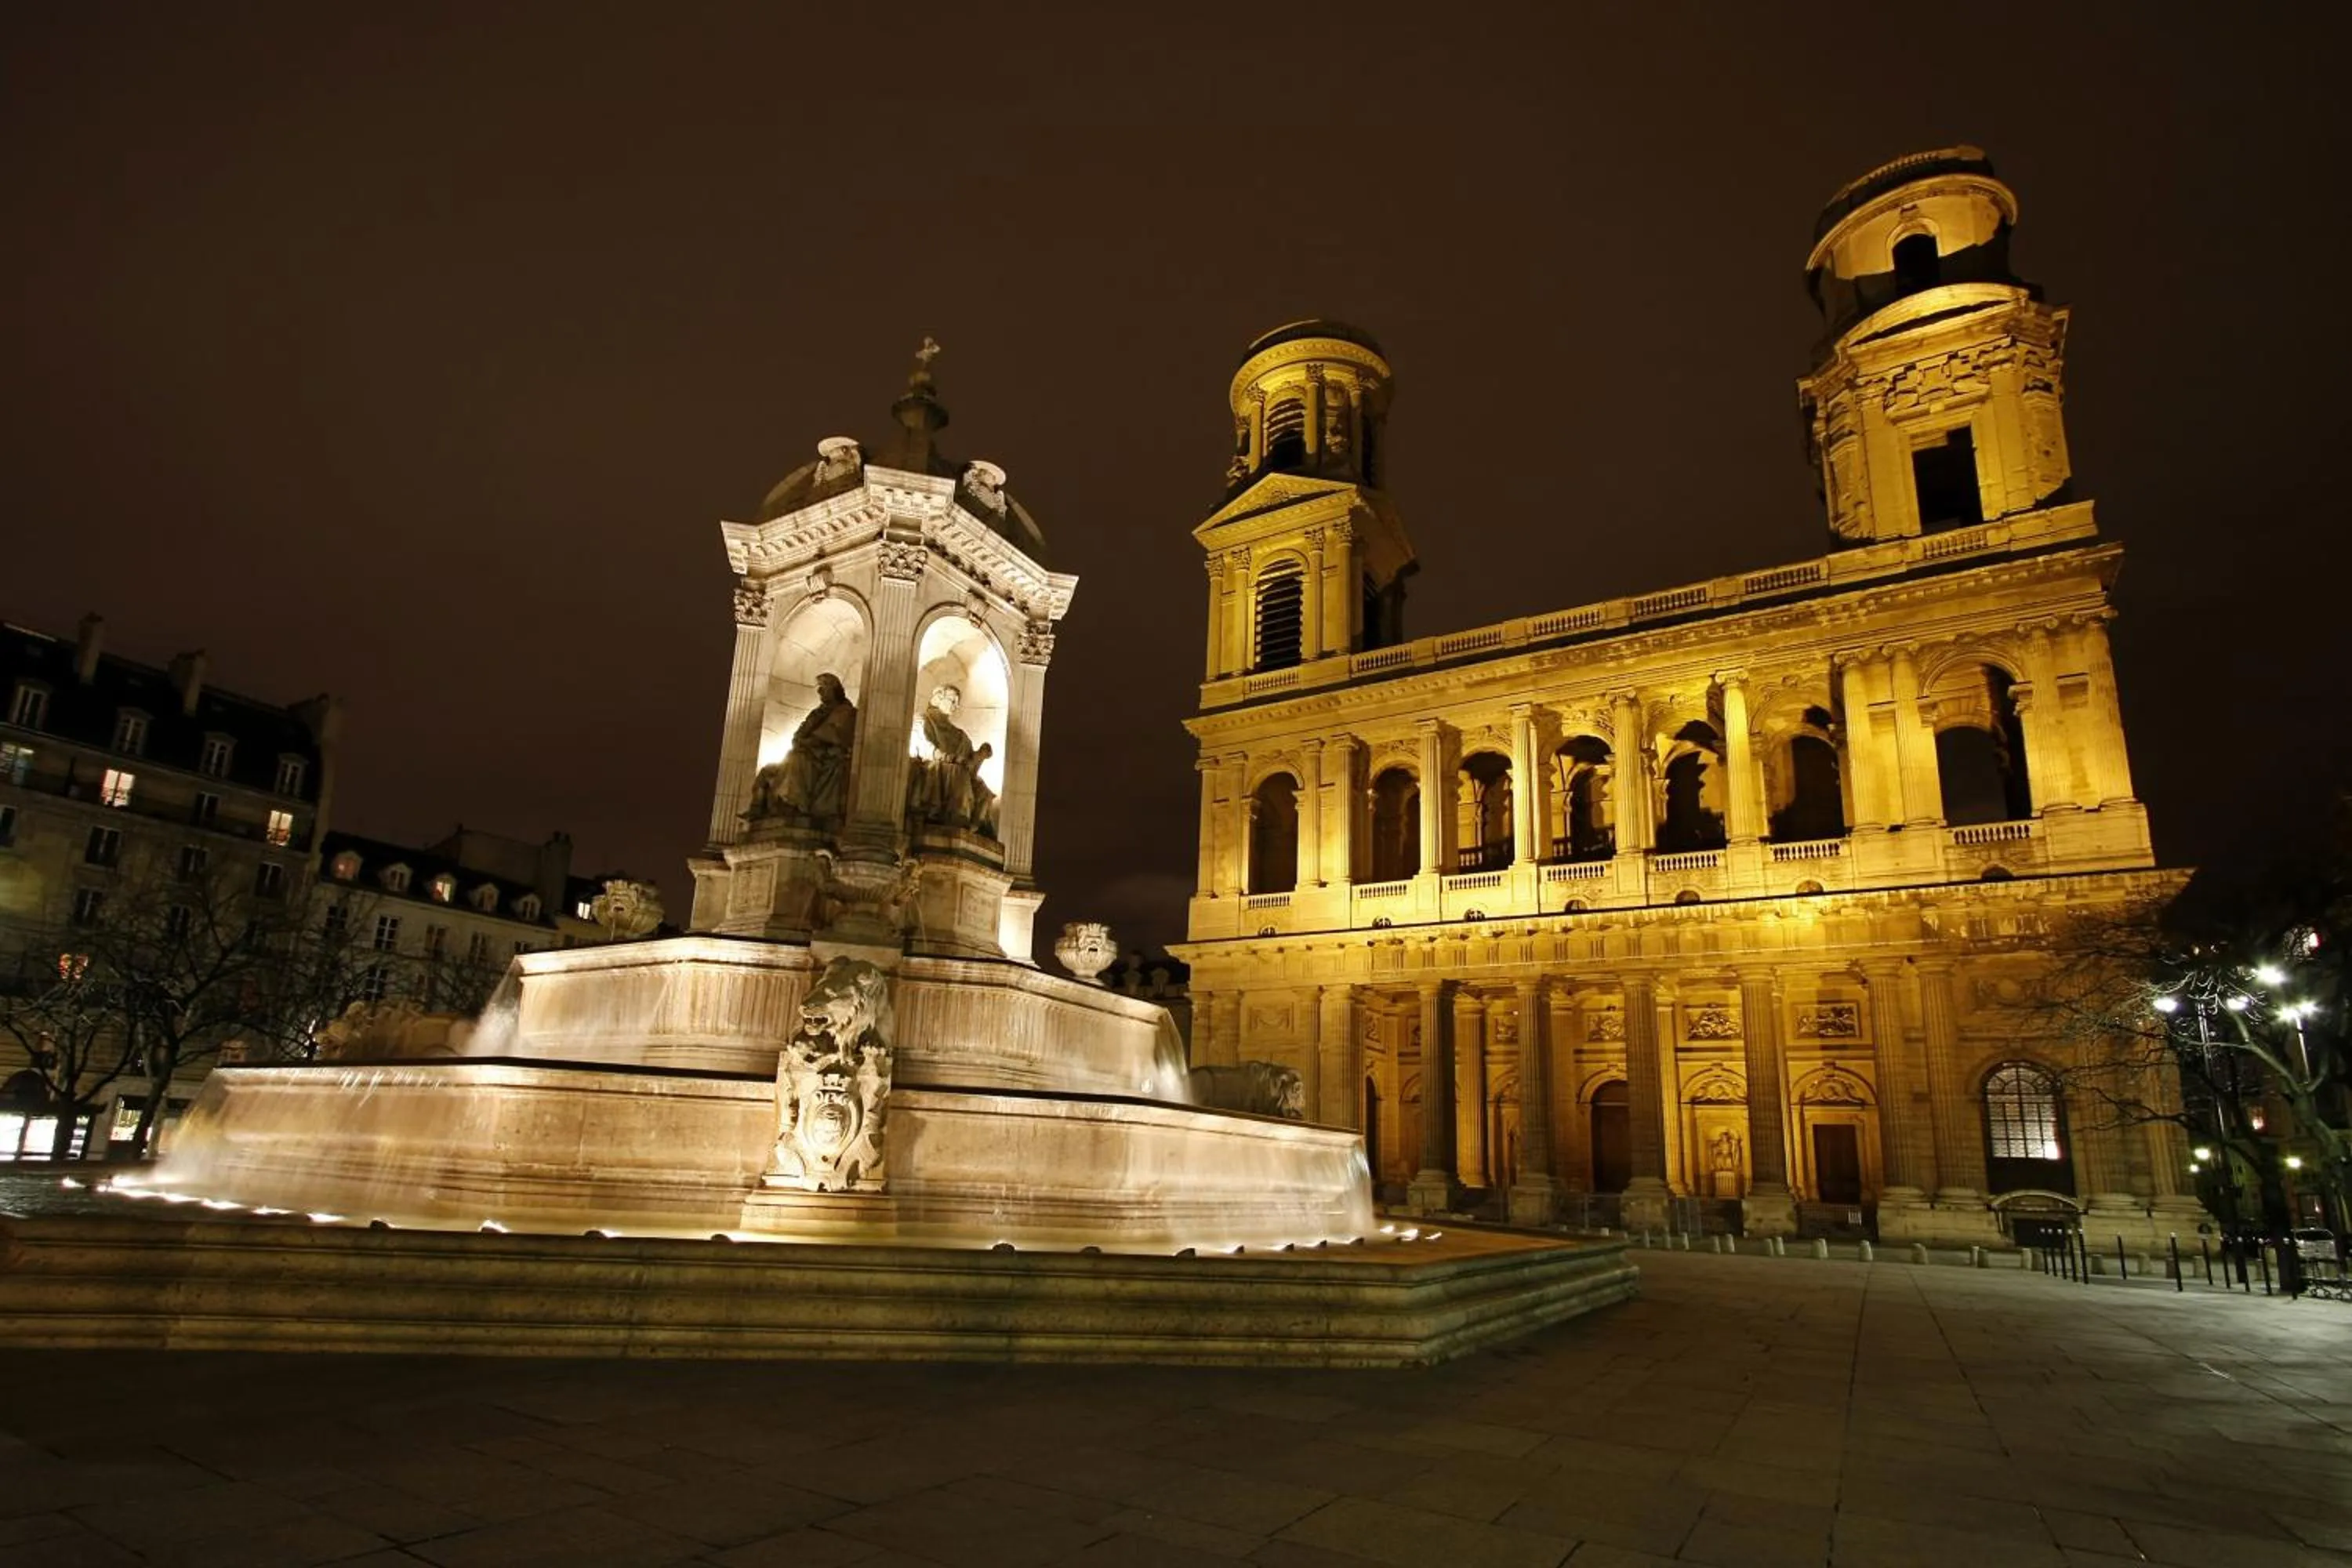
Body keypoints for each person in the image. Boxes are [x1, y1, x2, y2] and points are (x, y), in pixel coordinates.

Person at [752, 673, 857, 825]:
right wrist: (803, 741)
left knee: (797, 760)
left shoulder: (845, 711)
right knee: (768, 770)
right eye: (819, 689)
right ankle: (759, 810)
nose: (820, 692)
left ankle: (793, 805)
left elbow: (833, 735)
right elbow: (799, 735)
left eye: (824, 687)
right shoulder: (817, 713)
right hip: (808, 752)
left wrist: (811, 741)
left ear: (835, 689)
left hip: (825, 756)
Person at [908, 684, 998, 835]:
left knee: (983, 790)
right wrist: (950, 758)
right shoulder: (922, 720)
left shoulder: (959, 735)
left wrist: (980, 756)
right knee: (958, 773)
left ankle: (974, 829)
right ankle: (958, 818)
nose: (956, 706)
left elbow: (969, 764)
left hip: (954, 769)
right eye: (953, 700)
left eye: (958, 702)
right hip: (933, 767)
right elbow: (924, 746)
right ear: (938, 698)